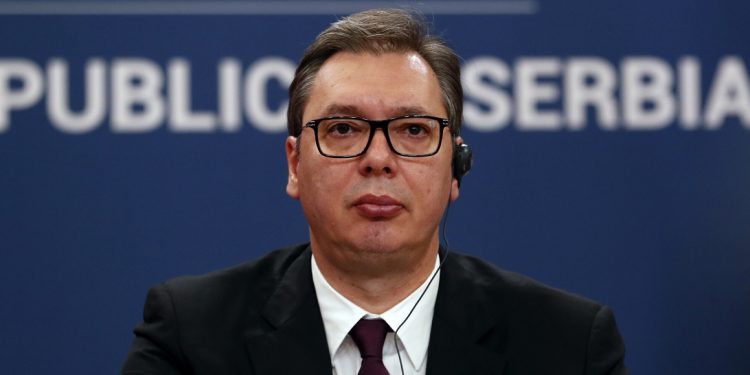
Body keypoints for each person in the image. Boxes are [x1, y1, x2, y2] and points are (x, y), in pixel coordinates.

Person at [122, 9, 627, 375]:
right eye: (343, 129)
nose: (378, 158)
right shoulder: (191, 335)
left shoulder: (566, 346)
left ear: (456, 166)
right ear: (295, 164)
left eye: (412, 130)